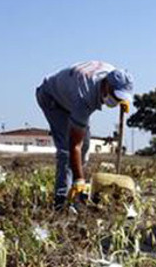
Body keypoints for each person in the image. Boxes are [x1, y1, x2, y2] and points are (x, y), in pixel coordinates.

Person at [36, 61, 133, 208]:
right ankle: (62, 200)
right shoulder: (84, 98)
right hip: (51, 98)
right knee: (66, 150)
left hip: (71, 93)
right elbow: (75, 145)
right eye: (116, 96)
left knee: (85, 145)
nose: (117, 100)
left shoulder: (113, 73)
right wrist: (79, 179)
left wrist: (122, 100)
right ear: (106, 85)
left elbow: (81, 145)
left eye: (121, 97)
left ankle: (77, 189)